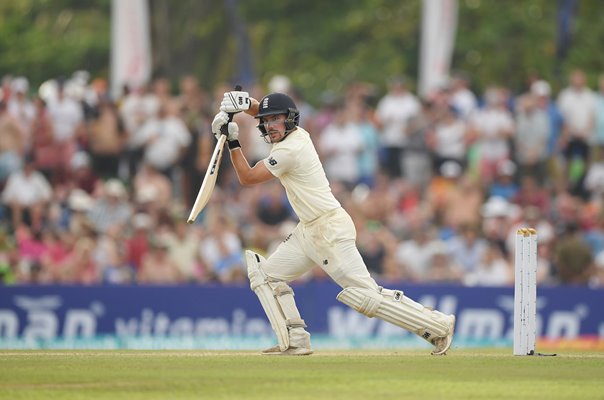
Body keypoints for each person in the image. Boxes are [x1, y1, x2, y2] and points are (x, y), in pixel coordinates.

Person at [212, 90, 455, 356]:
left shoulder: (290, 151)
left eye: (275, 120)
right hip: (308, 229)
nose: (270, 126)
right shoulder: (297, 134)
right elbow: (271, 113)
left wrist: (232, 141)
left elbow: (247, 178)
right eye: (266, 121)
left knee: (366, 295)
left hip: (328, 229)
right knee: (267, 276)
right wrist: (247, 105)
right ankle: (296, 339)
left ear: (290, 120)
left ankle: (439, 325)